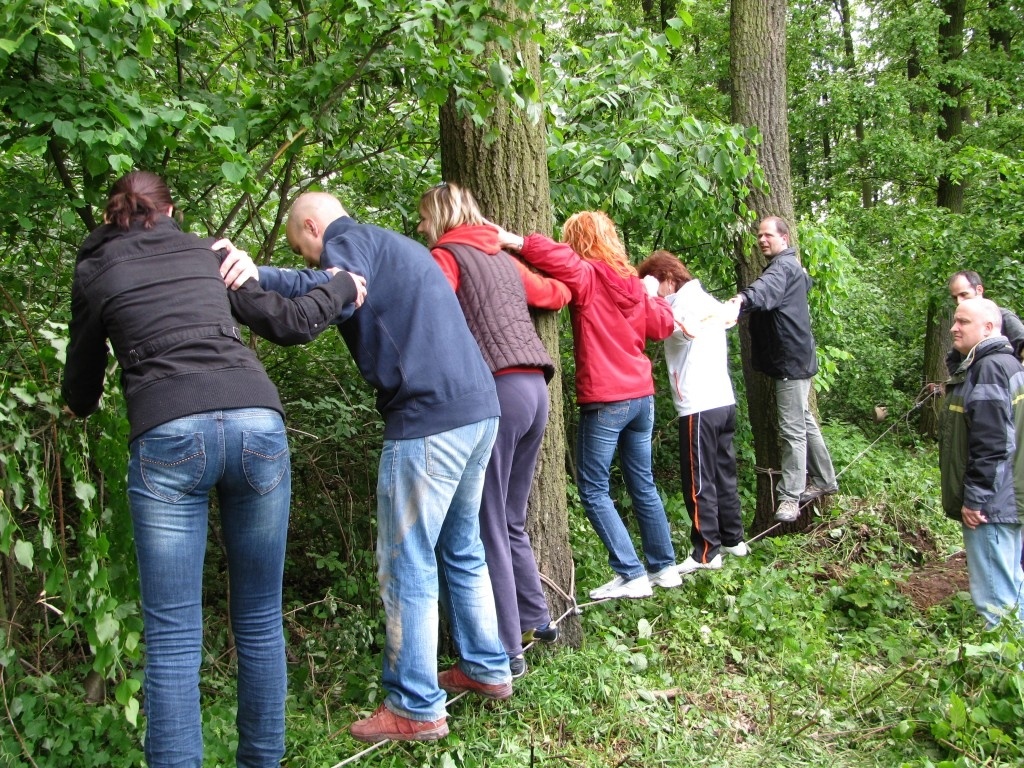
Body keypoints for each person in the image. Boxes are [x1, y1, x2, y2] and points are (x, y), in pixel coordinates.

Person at [61, 171, 364, 768]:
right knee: (257, 619)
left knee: (173, 639)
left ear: (110, 216)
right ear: (170, 209)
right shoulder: (210, 254)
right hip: (257, 424)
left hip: (168, 432)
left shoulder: (96, 271)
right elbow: (289, 322)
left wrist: (74, 404)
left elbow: (83, 391)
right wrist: (342, 286)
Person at [245, 191, 511, 743]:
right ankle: (486, 667)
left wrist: (290, 294)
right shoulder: (393, 245)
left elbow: (334, 296)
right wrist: (257, 274)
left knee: (406, 559)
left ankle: (415, 706)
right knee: (462, 548)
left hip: (428, 419)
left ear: (314, 227)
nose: (315, 264)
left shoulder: (348, 244)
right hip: (479, 408)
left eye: (306, 250)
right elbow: (314, 284)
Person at [417, 182, 569, 678]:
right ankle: (535, 618)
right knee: (510, 515)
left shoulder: (446, 256)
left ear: (440, 216)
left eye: (423, 218)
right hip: (536, 390)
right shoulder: (504, 261)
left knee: (486, 521)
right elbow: (557, 292)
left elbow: (427, 314)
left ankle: (506, 648)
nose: (420, 228)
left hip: (498, 394)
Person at [491, 212, 681, 601]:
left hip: (608, 398)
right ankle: (664, 567)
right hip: (642, 398)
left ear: (578, 241)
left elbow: (558, 259)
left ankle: (631, 573)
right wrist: (650, 295)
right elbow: (661, 326)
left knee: (593, 488)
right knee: (641, 482)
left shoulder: (587, 274)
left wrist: (514, 241)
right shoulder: (631, 282)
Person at [638, 251, 748, 574]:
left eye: (656, 285)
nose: (656, 293)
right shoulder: (705, 299)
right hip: (723, 401)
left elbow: (671, 328)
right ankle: (733, 539)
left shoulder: (681, 305)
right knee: (724, 473)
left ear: (668, 280)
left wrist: (647, 297)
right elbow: (729, 316)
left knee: (698, 479)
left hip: (698, 405)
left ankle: (706, 552)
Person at [726, 216, 837, 524]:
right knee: (803, 421)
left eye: (768, 235)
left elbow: (764, 290)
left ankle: (790, 497)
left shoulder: (783, 268)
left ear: (784, 238)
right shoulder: (791, 267)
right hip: (795, 358)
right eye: (759, 236)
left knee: (791, 430)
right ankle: (826, 478)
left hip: (791, 361)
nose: (762, 240)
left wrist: (741, 299)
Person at [939, 297, 1024, 634]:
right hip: (1008, 498)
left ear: (989, 328)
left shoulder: (988, 369)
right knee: (1012, 585)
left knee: (995, 601)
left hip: (992, 505)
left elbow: (992, 443)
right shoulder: (1006, 365)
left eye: (963, 322)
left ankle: (1003, 676)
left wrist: (975, 499)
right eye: (955, 321)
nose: (953, 327)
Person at [946, 270, 1024, 372]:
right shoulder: (962, 322)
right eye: (955, 297)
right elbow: (953, 359)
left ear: (979, 290)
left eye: (964, 294)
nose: (959, 301)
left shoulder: (1003, 316)